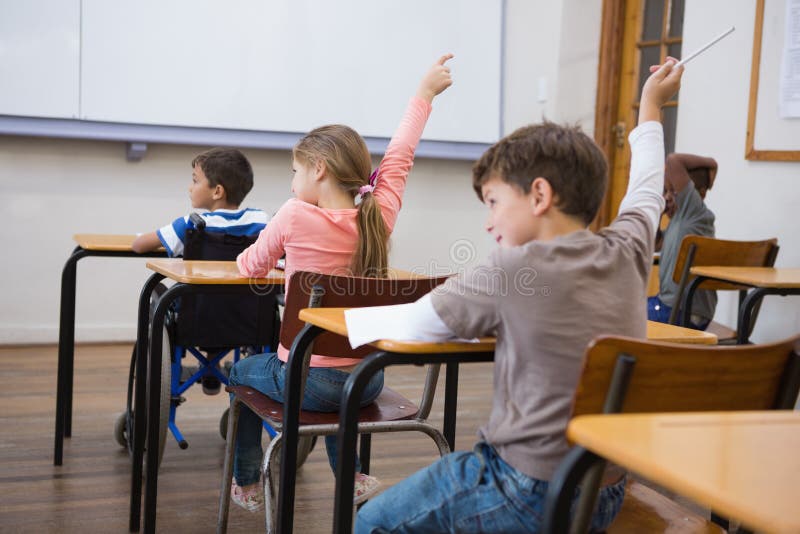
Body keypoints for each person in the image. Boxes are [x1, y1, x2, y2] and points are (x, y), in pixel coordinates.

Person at [347, 58, 684, 533]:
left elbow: (419, 323)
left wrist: (344, 321)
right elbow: (646, 189)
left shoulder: (514, 268)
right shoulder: (628, 249)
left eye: (494, 202)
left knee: (372, 523)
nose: (488, 222)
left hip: (523, 487)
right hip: (603, 490)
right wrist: (652, 105)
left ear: (539, 195)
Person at [227, 54, 455, 512]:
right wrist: (425, 94)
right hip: (366, 380)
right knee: (335, 381)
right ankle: (348, 477)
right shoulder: (380, 214)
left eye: (295, 172)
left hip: (308, 380)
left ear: (319, 169)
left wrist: (270, 254)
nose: (292, 184)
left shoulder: (293, 214)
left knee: (241, 373)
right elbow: (400, 154)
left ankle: (246, 482)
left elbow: (249, 266)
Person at [132, 147, 269, 394]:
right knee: (225, 298)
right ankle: (214, 367)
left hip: (198, 319)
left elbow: (139, 245)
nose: (189, 187)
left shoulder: (193, 225)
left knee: (178, 297)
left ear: (217, 191)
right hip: (250, 319)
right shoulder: (262, 221)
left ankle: (208, 367)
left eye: (195, 181)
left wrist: (140, 236)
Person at [649, 152, 718, 330]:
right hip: (682, 312)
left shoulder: (693, 212)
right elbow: (656, 244)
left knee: (624, 313)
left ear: (700, 193)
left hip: (677, 312)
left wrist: (711, 163)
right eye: (666, 191)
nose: (668, 197)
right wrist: (658, 212)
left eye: (674, 191)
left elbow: (673, 160)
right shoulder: (681, 222)